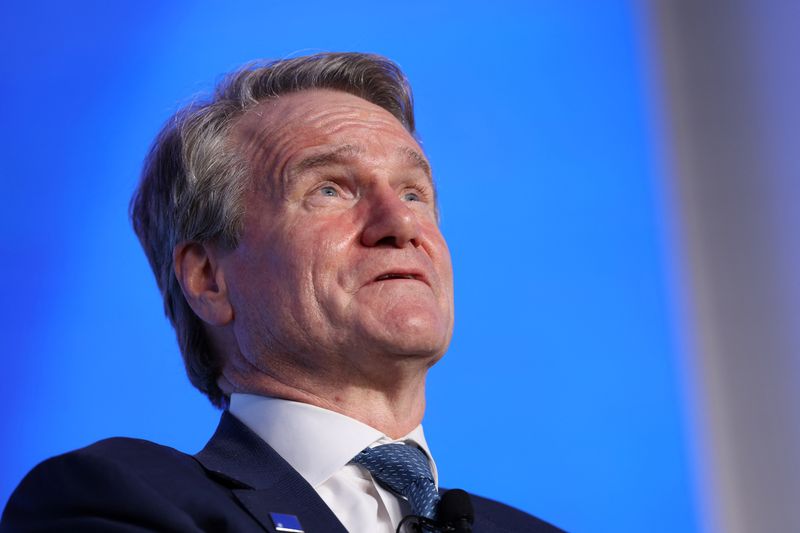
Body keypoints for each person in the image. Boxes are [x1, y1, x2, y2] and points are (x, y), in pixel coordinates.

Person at [2, 52, 562, 532]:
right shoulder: (115, 501)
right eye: (329, 189)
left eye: (415, 193)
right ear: (208, 279)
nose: (400, 222)